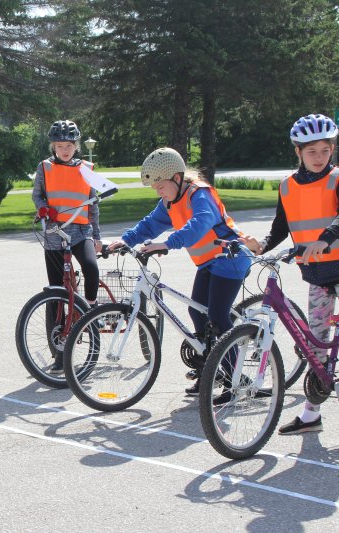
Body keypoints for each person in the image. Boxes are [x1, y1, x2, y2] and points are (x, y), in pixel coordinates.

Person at [107, 147, 250, 395]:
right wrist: (127, 240)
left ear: (176, 178)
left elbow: (200, 223)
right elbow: (150, 224)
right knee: (197, 313)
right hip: (208, 262)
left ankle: (237, 378)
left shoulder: (200, 194)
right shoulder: (170, 202)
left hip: (231, 258)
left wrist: (168, 243)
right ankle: (211, 371)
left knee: (217, 315)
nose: (158, 192)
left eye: (160, 186)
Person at [242, 113, 339, 434]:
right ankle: (312, 416)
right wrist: (263, 244)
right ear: (298, 152)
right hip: (318, 274)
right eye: (312, 152)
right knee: (316, 345)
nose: (319, 158)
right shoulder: (287, 186)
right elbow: (280, 229)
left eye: (325, 151)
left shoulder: (336, 178)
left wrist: (325, 239)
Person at [32, 119, 102, 374]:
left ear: (76, 146)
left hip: (80, 231)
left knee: (91, 268)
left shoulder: (87, 168)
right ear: (53, 146)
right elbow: (37, 194)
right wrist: (42, 207)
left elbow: (94, 205)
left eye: (69, 145)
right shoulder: (45, 167)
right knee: (56, 294)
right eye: (60, 145)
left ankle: (90, 310)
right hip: (54, 233)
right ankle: (59, 355)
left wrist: (97, 236)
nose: (64, 150)